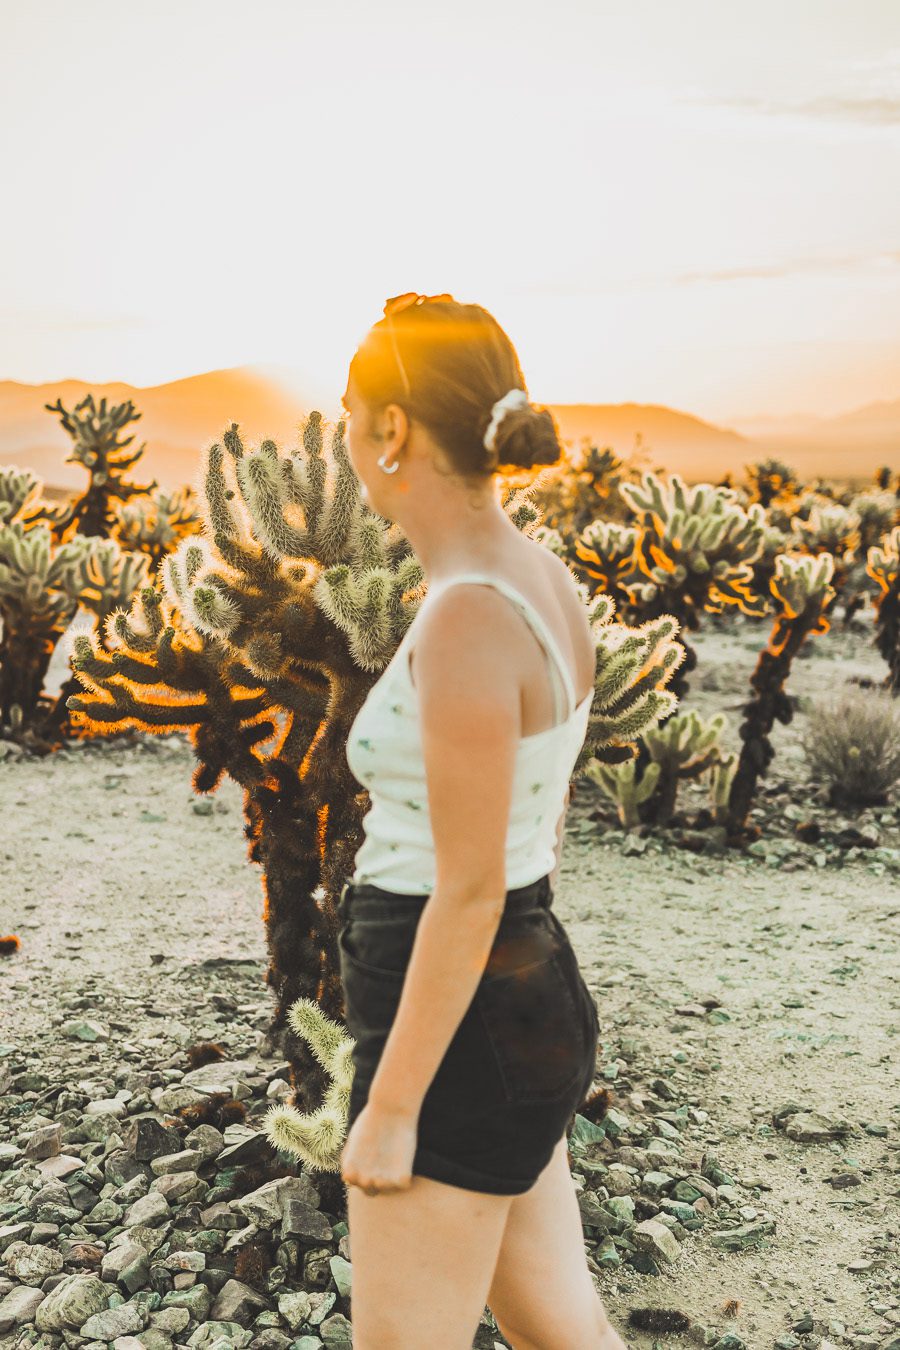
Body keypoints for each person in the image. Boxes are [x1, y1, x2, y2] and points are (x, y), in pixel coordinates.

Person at [337, 293, 627, 1348]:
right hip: (520, 992)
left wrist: (392, 1105)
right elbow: (525, 837)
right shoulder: (538, 577)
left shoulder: (466, 615)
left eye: (346, 412)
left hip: (453, 1018)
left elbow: (465, 886)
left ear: (393, 430)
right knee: (559, 1324)